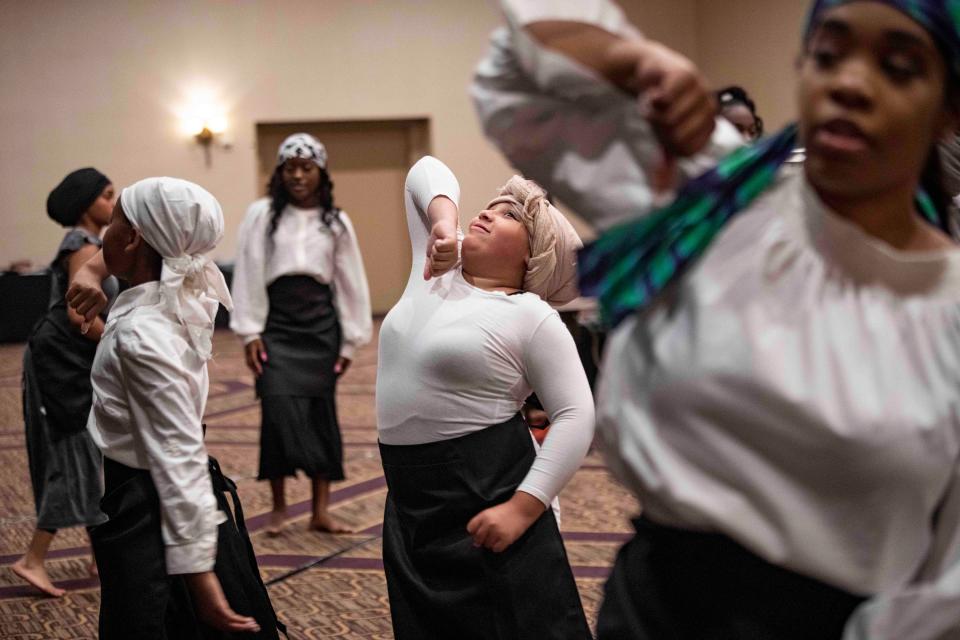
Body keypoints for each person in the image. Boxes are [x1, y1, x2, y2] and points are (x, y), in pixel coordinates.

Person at [473, 1, 960, 638]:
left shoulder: (943, 314)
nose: (849, 83)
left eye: (897, 66)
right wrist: (636, 58)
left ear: (949, 107)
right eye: (829, 54)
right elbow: (511, 74)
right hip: (651, 608)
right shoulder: (725, 205)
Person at [375, 154, 595, 639]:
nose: (491, 211)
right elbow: (424, 171)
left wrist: (524, 508)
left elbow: (577, 414)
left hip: (484, 487)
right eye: (493, 204)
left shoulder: (528, 314)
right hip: (411, 498)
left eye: (513, 214)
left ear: (535, 257)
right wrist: (444, 225)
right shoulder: (432, 273)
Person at [68, 178, 282, 638]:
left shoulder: (142, 335)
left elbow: (178, 456)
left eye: (116, 221)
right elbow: (120, 255)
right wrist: (87, 272)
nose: (105, 232)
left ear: (133, 237)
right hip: (155, 494)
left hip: (154, 507)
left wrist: (201, 579)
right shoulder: (180, 292)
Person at [230, 133, 372, 536]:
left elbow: (350, 281)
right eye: (289, 168)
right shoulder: (261, 214)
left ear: (321, 173)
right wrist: (249, 332)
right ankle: (278, 509)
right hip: (276, 324)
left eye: (306, 168)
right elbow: (249, 270)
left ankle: (320, 511)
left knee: (320, 413)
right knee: (276, 412)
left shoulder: (336, 220)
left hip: (320, 326)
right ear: (279, 173)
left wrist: (350, 339)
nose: (297, 175)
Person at [13, 168, 117, 597]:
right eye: (108, 195)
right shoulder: (83, 245)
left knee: (89, 455)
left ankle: (104, 555)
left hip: (70, 360)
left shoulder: (89, 244)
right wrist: (124, 339)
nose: (115, 202)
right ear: (85, 203)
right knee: (72, 455)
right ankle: (33, 559)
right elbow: (80, 315)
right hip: (61, 363)